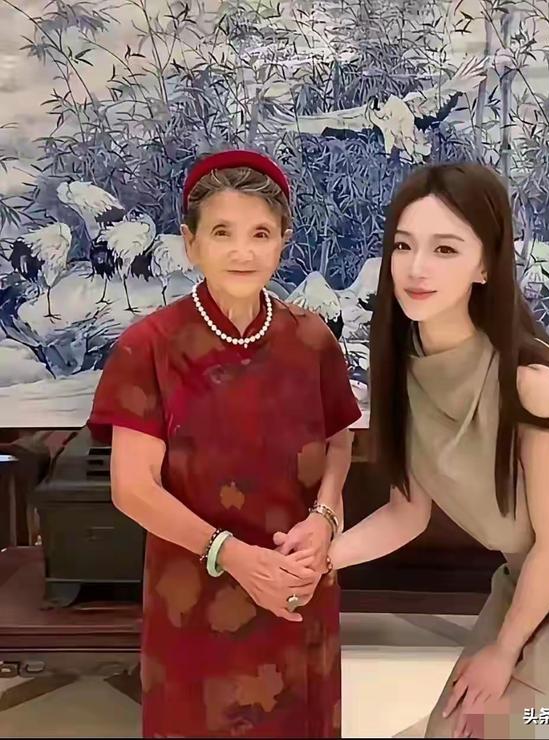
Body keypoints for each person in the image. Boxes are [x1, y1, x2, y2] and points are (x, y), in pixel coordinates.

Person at [314, 163, 549, 738]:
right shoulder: (404, 369)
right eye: (404, 246)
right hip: (528, 579)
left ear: (485, 264)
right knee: (453, 731)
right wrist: (319, 561)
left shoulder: (533, 381)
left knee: (524, 729)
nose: (417, 268)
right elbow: (407, 513)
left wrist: (504, 651)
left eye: (445, 249)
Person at [87, 149, 361, 738]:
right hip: (198, 595)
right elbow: (132, 489)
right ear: (191, 244)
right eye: (221, 233)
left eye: (260, 233)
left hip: (298, 582)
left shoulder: (312, 339)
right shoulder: (150, 345)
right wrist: (233, 555)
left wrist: (324, 519)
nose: (243, 251)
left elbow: (338, 445)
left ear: (283, 241)